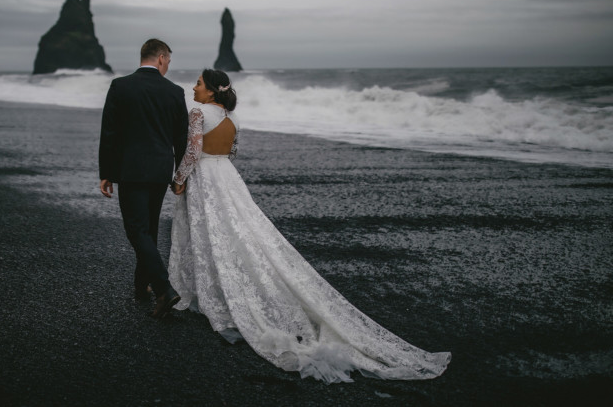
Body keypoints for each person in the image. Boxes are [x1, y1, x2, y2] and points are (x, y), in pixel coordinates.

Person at [168, 69, 451, 383]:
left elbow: (193, 151)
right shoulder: (234, 119)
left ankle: (211, 292)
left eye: (198, 83)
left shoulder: (197, 112)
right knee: (241, 233)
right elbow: (233, 151)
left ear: (210, 91)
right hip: (228, 177)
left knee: (210, 234)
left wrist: (179, 179)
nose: (193, 87)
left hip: (206, 177)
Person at [99, 38, 188, 318]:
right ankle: (141, 286)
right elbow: (181, 139)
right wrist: (180, 175)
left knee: (137, 230)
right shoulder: (174, 91)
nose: (168, 66)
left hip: (131, 169)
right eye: (169, 61)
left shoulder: (121, 86)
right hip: (161, 169)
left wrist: (107, 173)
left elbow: (110, 133)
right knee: (147, 228)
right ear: (161, 58)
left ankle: (163, 289)